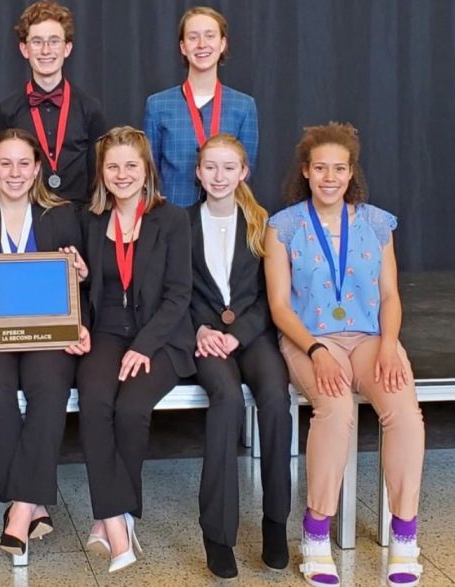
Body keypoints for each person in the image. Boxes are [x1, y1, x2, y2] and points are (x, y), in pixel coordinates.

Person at [264, 123, 424, 587]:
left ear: (351, 172)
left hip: (371, 336)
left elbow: (391, 295)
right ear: (306, 172)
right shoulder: (284, 226)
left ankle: (405, 533)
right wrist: (315, 351)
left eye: (339, 168)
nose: (329, 177)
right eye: (320, 168)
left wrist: (390, 346)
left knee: (404, 412)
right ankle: (316, 532)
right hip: (309, 337)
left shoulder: (377, 222)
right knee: (334, 410)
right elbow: (278, 305)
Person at [0, 128, 87, 558]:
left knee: (49, 389)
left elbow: (81, 283)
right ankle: (33, 501)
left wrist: (79, 282)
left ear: (37, 168)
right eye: (4, 163)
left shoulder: (62, 215)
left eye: (23, 163)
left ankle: (20, 509)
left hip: (47, 335)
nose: (14, 172)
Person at [77, 126, 194, 573]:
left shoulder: (172, 219)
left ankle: (117, 517)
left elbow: (179, 295)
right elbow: (93, 288)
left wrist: (144, 346)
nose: (121, 174)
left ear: (147, 170)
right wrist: (84, 274)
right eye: (113, 166)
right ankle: (114, 517)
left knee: (130, 410)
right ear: (101, 173)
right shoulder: (90, 220)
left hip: (160, 337)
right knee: (94, 401)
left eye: (131, 165)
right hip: (107, 332)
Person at [189, 134, 291, 578]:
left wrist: (240, 333)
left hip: (253, 334)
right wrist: (201, 328)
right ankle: (218, 533)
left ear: (244, 172)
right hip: (206, 337)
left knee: (274, 399)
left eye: (229, 168)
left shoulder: (262, 223)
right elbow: (177, 290)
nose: (219, 176)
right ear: (198, 171)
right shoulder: (181, 223)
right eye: (210, 167)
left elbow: (273, 296)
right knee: (227, 400)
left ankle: (275, 522)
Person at [0, 0, 107, 207]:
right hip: (26, 215)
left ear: (67, 48)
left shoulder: (90, 108)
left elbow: (98, 173)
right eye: (37, 42)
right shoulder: (6, 110)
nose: (46, 50)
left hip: (79, 216)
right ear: (24, 49)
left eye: (54, 41)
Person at [143, 6, 258, 207]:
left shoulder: (244, 106)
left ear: (222, 44)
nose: (202, 45)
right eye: (193, 37)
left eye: (210, 36)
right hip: (173, 219)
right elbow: (150, 172)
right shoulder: (158, 105)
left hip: (225, 216)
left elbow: (245, 171)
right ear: (183, 47)